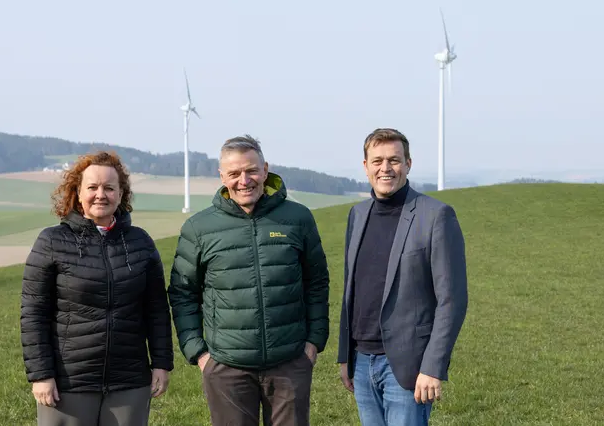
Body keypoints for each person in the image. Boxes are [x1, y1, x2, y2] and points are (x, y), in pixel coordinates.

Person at [168, 135, 330, 426]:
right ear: (222, 177)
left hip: (289, 362)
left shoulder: (298, 218)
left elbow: (316, 282)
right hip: (226, 367)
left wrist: (313, 343)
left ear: (265, 170)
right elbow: (183, 293)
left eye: (251, 171)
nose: (244, 181)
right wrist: (198, 352)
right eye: (234, 174)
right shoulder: (199, 228)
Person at [20, 151, 174, 426]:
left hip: (129, 382)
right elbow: (33, 314)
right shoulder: (51, 241)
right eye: (92, 187)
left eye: (109, 188)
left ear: (121, 194)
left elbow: (157, 311)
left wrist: (162, 363)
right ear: (78, 193)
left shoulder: (141, 242)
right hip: (69, 382)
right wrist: (41, 374)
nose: (100, 195)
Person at [337, 128, 468, 425]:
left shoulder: (436, 215)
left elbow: (452, 299)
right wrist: (346, 355)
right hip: (361, 361)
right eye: (377, 161)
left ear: (408, 163)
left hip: (408, 366)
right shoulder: (357, 214)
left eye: (394, 160)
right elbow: (350, 289)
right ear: (366, 166)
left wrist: (432, 367)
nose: (385, 168)